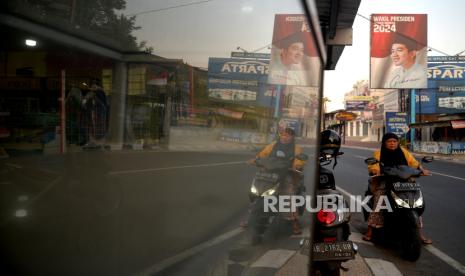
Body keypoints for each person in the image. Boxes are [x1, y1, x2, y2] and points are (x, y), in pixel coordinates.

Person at [363, 133, 432, 245]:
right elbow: (373, 166)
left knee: (414, 202)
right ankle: (370, 230)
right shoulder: (379, 153)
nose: (392, 143)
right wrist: (375, 170)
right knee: (380, 200)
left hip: (404, 181)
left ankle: (419, 233)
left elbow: (414, 163)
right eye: (389, 141)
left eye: (394, 141)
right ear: (384, 143)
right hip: (386, 180)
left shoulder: (404, 152)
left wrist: (421, 169)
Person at [242, 127, 306, 234]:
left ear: (292, 137)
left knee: (287, 195)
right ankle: (251, 217)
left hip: (286, 174)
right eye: (283, 135)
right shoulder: (273, 145)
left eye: (288, 135)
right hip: (270, 174)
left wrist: (296, 166)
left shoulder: (296, 148)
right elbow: (262, 154)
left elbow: (299, 161)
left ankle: (294, 221)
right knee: (256, 191)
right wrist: (255, 160)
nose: (285, 137)